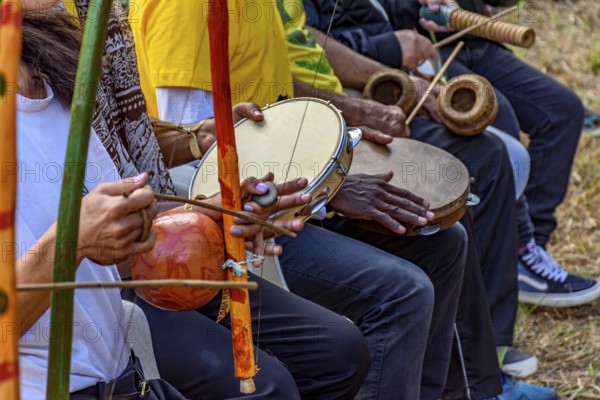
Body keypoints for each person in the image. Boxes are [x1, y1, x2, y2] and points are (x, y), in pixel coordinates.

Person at [128, 0, 552, 398]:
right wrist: (329, 190)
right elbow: (198, 171)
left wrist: (352, 121)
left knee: (443, 241)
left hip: (291, 193)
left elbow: (268, 95)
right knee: (403, 293)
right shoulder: (185, 8)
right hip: (242, 231)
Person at [17, 3, 373, 399]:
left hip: (117, 338)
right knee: (269, 388)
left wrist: (210, 212)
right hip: (66, 365)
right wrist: (76, 240)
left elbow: (116, 227)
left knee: (340, 349)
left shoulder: (54, 55)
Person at [376, 0, 600, 308]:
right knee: (496, 114)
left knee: (562, 110)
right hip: (415, 43)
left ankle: (530, 251)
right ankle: (515, 252)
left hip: (474, 33)